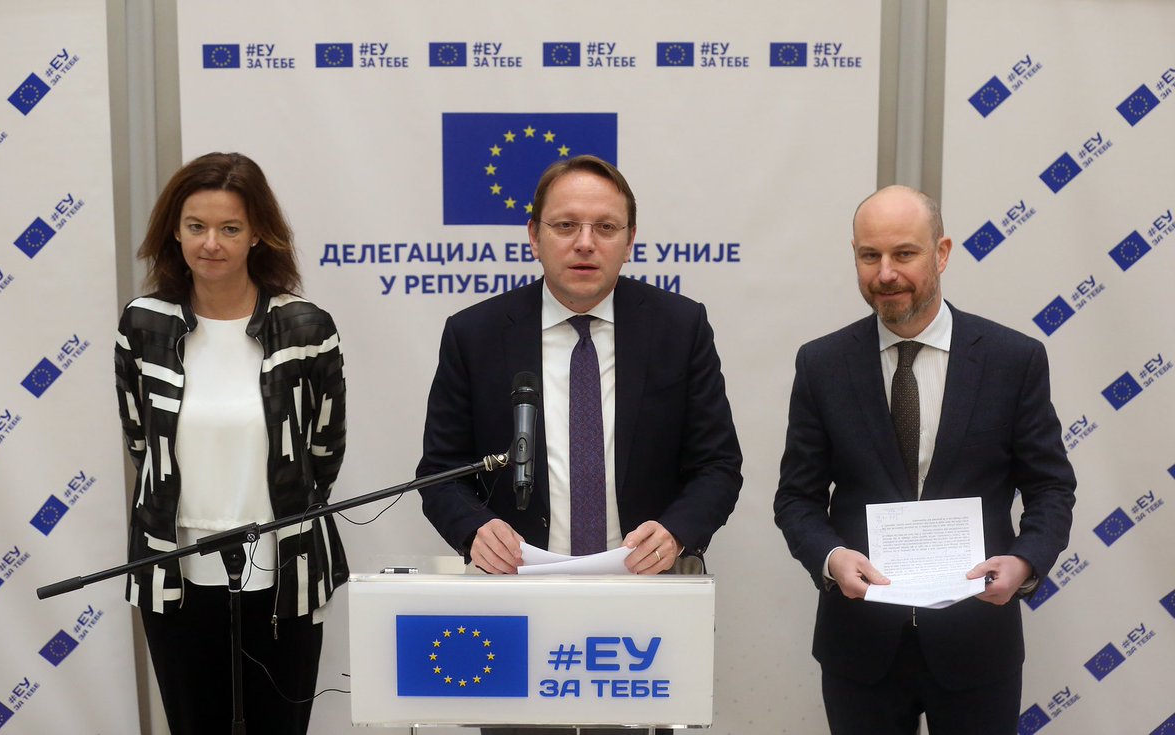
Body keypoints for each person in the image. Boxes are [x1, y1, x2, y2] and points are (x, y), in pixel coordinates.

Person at [417, 155, 743, 734]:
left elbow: (718, 465)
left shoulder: (679, 327)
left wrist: (676, 532)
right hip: (517, 599)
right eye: (566, 225)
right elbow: (441, 470)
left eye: (606, 227)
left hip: (642, 601)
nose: (585, 243)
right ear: (534, 236)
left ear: (631, 240)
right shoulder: (475, 334)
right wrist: (474, 530)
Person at [772, 185, 1076, 735]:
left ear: (942, 253)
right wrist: (831, 558)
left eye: (904, 254)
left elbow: (1051, 487)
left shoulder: (1013, 360)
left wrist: (1024, 562)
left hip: (977, 642)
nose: (886, 273)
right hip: (860, 646)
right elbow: (797, 498)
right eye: (870, 255)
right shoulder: (822, 364)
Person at [115, 152, 348, 735]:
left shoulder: (306, 327)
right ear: (175, 231)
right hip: (174, 569)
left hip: (285, 567)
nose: (211, 244)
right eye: (196, 226)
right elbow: (141, 441)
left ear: (258, 234)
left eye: (230, 228)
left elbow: (325, 449)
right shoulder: (143, 324)